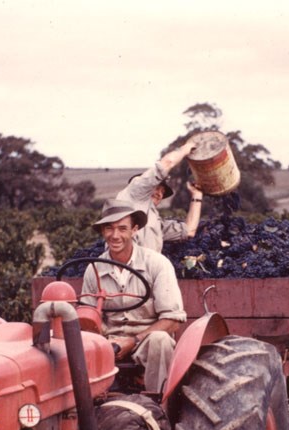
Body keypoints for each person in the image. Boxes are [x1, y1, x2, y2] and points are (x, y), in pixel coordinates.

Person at [80, 199, 186, 393]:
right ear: (103, 231)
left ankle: (160, 403)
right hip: (108, 340)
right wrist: (104, 339)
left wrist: (133, 341)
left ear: (134, 230)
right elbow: (87, 317)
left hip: (145, 340)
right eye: (109, 229)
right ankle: (88, 408)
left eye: (122, 228)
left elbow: (173, 319)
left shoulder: (157, 264)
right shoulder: (93, 269)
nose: (115, 235)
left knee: (160, 341)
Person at [116, 140, 204, 253]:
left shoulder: (156, 225)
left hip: (145, 270)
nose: (159, 194)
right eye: (156, 187)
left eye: (162, 191)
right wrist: (186, 149)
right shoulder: (135, 191)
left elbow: (189, 230)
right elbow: (166, 164)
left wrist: (197, 195)